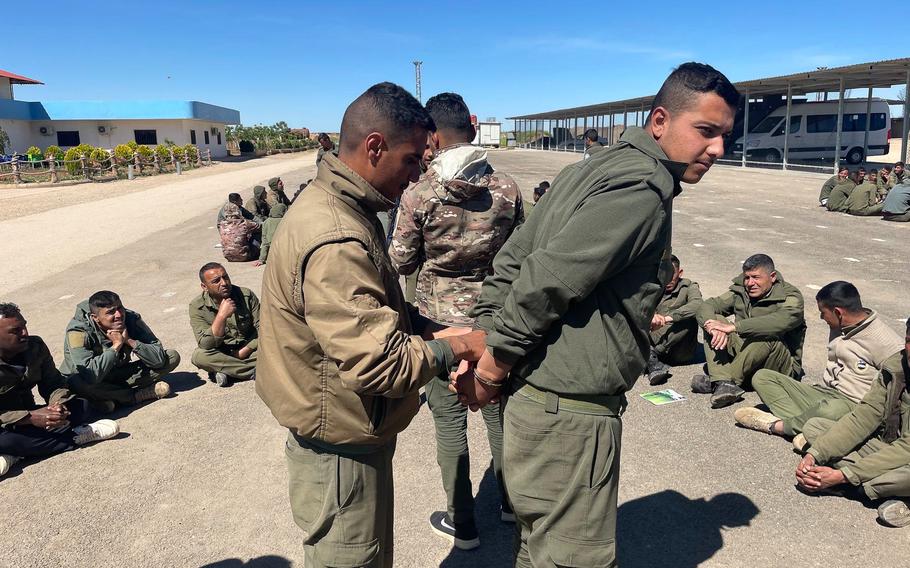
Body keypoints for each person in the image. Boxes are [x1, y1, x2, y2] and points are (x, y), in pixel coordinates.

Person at [460, 62, 739, 567]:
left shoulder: (588, 167)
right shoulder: (643, 188)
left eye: (725, 137)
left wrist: (484, 331)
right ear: (660, 122)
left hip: (536, 402)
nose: (717, 149)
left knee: (535, 548)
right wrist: (490, 365)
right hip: (570, 414)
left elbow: (513, 257)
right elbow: (548, 278)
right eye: (706, 131)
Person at [255, 82, 487, 568]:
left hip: (347, 434)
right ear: (375, 146)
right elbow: (379, 364)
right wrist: (462, 346)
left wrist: (425, 328)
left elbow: (371, 310)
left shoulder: (342, 208)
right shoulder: (336, 235)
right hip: (340, 451)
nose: (417, 172)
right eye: (410, 159)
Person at [388, 92, 523, 549]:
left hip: (437, 327)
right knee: (501, 418)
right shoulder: (507, 188)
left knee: (450, 427)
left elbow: (402, 262)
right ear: (472, 123)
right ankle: (510, 504)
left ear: (432, 134)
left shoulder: (420, 193)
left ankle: (462, 523)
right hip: (496, 325)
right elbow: (523, 256)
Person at [735, 281, 903, 437]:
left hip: (853, 406)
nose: (822, 318)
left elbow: (896, 393)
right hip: (826, 394)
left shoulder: (886, 342)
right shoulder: (840, 324)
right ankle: (811, 429)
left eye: (823, 313)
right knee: (763, 377)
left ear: (838, 312)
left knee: (830, 410)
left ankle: (779, 426)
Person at [796, 320, 910, 528]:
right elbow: (864, 416)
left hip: (907, 456)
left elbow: (907, 449)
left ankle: (855, 489)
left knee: (903, 476)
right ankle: (883, 491)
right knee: (815, 429)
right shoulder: (897, 367)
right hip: (890, 447)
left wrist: (843, 476)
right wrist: (816, 454)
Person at [0, 303, 119, 477]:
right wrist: (29, 418)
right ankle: (73, 438)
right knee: (5, 440)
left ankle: (19, 451)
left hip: (31, 414)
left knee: (82, 407)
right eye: (15, 331)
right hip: (7, 422)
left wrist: (57, 405)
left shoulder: (35, 346)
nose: (25, 333)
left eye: (25, 326)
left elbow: (53, 383)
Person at [692, 254, 806, 409]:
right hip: (747, 360)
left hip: (778, 366)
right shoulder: (742, 291)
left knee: (767, 334)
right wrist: (712, 327)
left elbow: (781, 320)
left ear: (772, 277)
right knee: (716, 320)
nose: (750, 283)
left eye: (756, 277)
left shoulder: (790, 296)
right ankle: (723, 382)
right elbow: (708, 306)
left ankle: (720, 380)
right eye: (747, 277)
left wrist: (735, 327)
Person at [60, 291, 179, 410]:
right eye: (110, 312)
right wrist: (116, 345)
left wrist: (129, 341)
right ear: (95, 317)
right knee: (76, 382)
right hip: (93, 379)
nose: (118, 315)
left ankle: (108, 399)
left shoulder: (130, 318)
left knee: (171, 357)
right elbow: (90, 375)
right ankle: (134, 396)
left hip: (117, 372)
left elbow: (158, 360)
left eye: (120, 308)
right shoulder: (78, 332)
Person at [189, 263, 259, 388]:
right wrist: (221, 316)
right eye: (216, 281)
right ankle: (255, 371)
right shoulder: (197, 306)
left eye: (225, 277)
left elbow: (265, 328)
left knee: (279, 345)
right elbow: (205, 344)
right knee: (199, 356)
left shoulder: (246, 295)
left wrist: (245, 350)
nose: (224, 283)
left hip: (251, 349)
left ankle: (229, 372)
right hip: (223, 353)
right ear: (204, 287)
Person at [647, 255, 703, 385]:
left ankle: (652, 356)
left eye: (672, 274)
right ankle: (650, 358)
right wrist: (650, 316)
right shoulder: (651, 286)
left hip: (677, 349)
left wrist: (668, 318)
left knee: (689, 318)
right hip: (651, 337)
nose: (668, 279)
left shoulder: (689, 286)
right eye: (664, 274)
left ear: (680, 272)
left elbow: (698, 304)